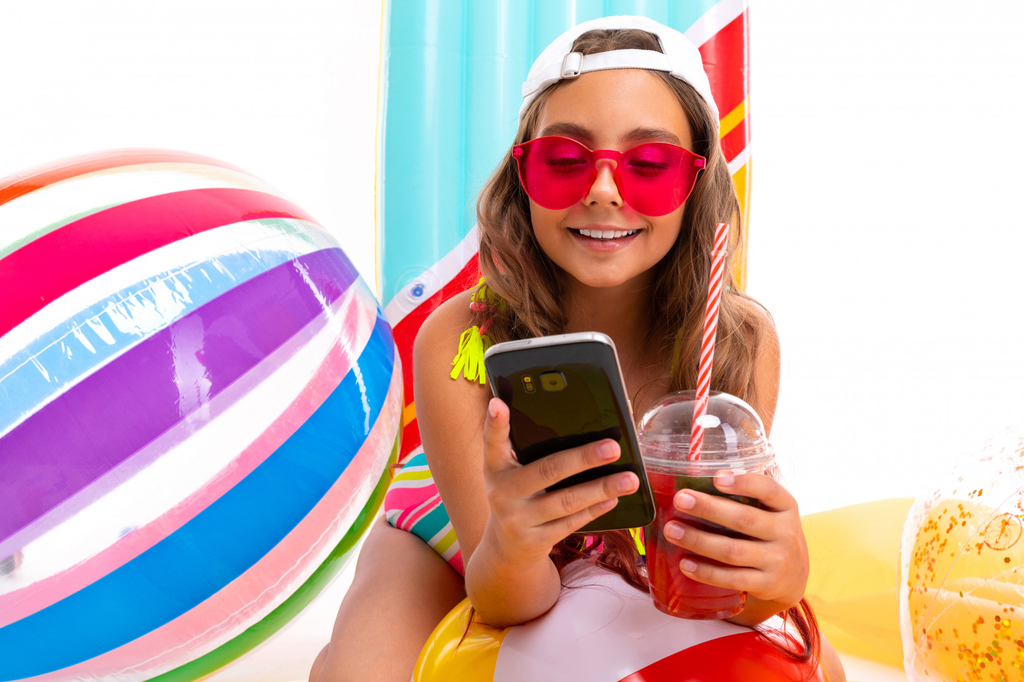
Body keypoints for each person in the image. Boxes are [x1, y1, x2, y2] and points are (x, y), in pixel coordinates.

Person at [312, 15, 844, 682]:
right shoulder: (459, 338)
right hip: (462, 533)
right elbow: (509, 600)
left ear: (695, 187)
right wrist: (509, 548)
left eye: (649, 164)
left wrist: (772, 585)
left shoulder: (740, 342)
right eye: (565, 159)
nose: (602, 189)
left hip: (645, 549)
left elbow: (718, 576)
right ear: (522, 176)